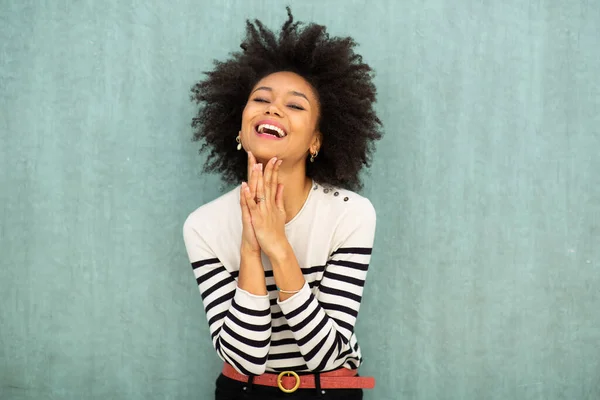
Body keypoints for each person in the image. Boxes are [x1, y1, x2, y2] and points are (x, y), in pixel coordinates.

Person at [183, 7, 383, 399]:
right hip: (243, 391)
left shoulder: (351, 214)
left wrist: (280, 247)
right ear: (240, 126)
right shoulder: (203, 226)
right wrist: (250, 248)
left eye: (295, 105)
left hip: (328, 390)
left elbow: (326, 355)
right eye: (261, 99)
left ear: (316, 141)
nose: (273, 108)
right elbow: (245, 358)